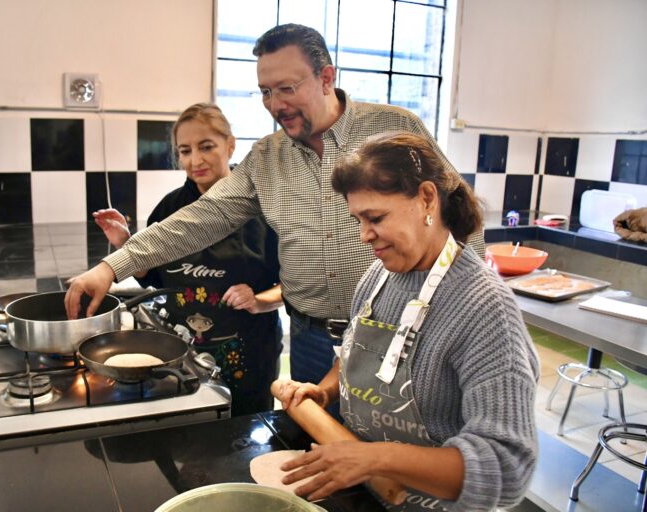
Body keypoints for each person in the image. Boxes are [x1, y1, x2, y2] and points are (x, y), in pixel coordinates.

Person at [64, 24, 485, 389]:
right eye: (266, 91)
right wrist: (111, 266)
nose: (275, 104)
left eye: (287, 88)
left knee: (393, 453)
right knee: (315, 449)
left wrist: (468, 301)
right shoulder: (266, 157)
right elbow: (200, 218)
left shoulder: (393, 128)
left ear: (326, 77)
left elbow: (459, 211)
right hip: (310, 339)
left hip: (396, 331)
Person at [275, 132, 539, 511]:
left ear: (427, 199)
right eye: (358, 219)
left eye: (376, 217)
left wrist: (374, 458)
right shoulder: (379, 276)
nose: (365, 235)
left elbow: (507, 468)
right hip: (369, 494)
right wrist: (326, 391)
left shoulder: (485, 309)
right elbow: (358, 354)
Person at [92, 103, 283, 416]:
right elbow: (152, 277)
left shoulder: (261, 209)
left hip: (249, 358)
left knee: (244, 436)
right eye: (185, 150)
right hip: (180, 357)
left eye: (206, 147)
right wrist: (125, 242)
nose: (195, 160)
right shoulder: (171, 209)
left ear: (230, 145)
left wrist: (259, 299)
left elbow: (293, 284)